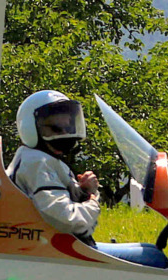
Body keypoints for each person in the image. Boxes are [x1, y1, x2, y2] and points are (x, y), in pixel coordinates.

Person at [7, 89, 101, 241]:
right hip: (52, 255)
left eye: (67, 128)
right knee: (150, 259)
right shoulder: (37, 163)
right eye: (55, 129)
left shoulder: (41, 158)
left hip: (57, 250)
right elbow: (68, 219)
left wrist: (83, 191)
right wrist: (93, 202)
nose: (65, 134)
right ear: (31, 127)